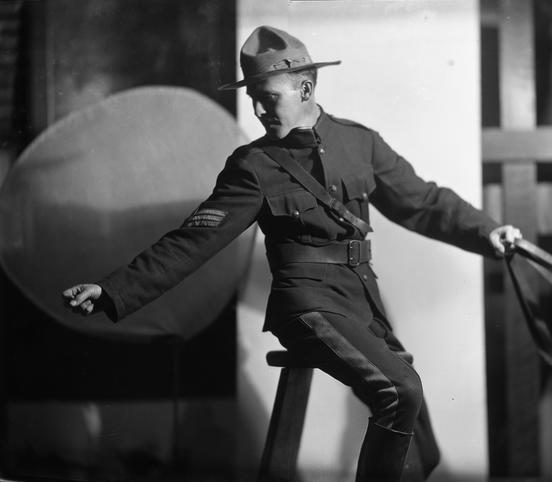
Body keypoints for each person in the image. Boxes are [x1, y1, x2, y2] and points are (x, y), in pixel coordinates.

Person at [63, 26, 522, 481]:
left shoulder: (360, 143)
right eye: (253, 98)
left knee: (423, 447)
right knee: (400, 390)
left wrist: (489, 231)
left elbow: (423, 201)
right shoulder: (252, 166)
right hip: (306, 306)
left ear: (305, 87)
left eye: (268, 96)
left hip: (361, 301)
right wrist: (112, 289)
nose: (259, 110)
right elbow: (192, 241)